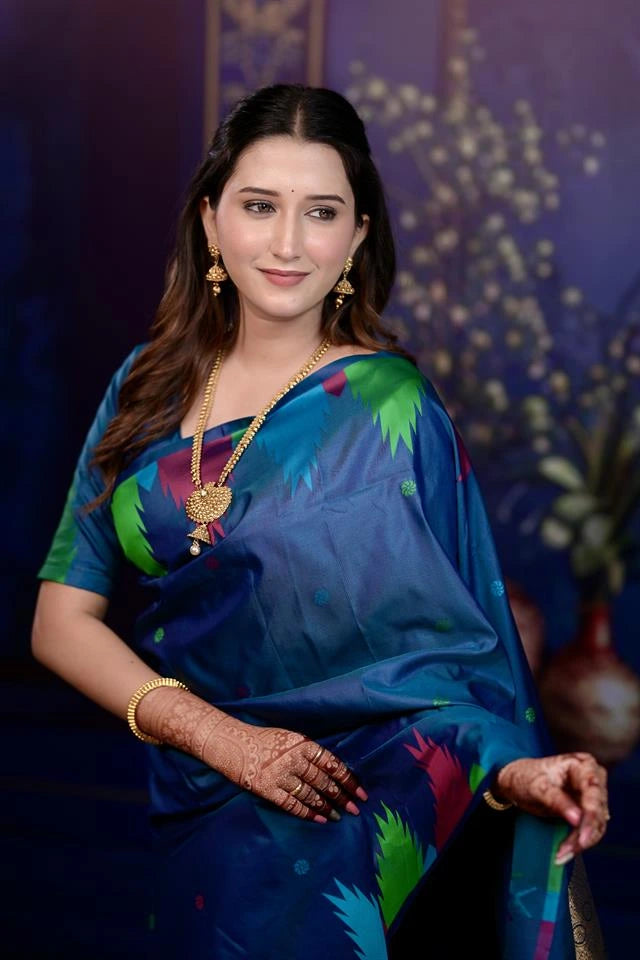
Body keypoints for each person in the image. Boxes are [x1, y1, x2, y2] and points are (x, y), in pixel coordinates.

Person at [32, 83, 609, 959]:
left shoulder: (391, 407)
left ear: (359, 236)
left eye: (323, 212)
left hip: (358, 808)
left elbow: (454, 665)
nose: (289, 243)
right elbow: (59, 621)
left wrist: (520, 772)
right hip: (204, 810)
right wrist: (224, 740)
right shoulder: (143, 388)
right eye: (260, 206)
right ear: (211, 219)